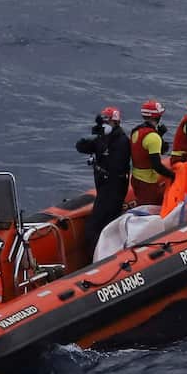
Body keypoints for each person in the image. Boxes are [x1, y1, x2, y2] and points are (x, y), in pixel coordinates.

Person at [75, 106, 132, 263]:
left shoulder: (121, 141)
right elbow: (81, 147)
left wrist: (101, 158)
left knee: (94, 227)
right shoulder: (103, 138)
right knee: (102, 222)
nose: (105, 124)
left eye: (108, 121)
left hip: (113, 188)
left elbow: (116, 166)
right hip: (104, 187)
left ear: (115, 122)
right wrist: (94, 134)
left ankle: (99, 260)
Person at [130, 99, 175, 207]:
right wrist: (172, 175)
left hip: (136, 178)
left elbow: (142, 149)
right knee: (148, 210)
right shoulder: (153, 137)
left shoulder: (136, 131)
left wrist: (159, 135)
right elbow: (157, 165)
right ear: (158, 116)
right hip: (147, 181)